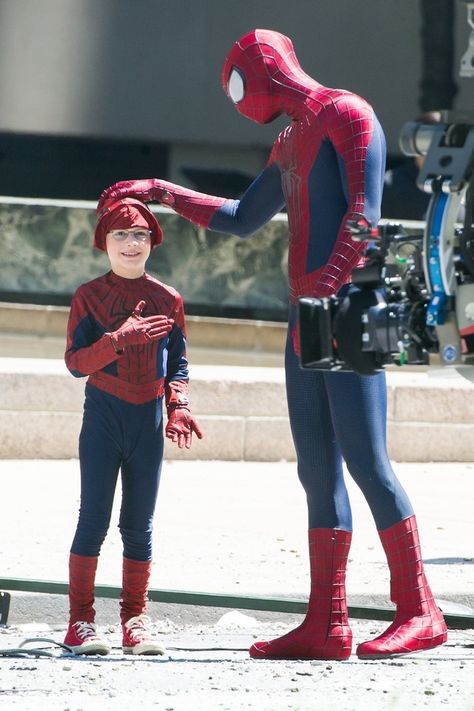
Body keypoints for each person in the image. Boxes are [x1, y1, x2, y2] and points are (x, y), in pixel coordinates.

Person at [98, 29, 447, 660]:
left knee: (368, 461)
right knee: (316, 469)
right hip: (307, 318)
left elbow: (365, 216)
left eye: (236, 83)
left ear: (261, 70)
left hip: (339, 313)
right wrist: (161, 190)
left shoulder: (347, 113)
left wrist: (327, 295)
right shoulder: (290, 138)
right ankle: (328, 621)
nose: (236, 98)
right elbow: (242, 215)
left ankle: (420, 609)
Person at [63, 197, 203, 655]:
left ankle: (135, 620)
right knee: (92, 519)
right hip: (103, 418)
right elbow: (75, 364)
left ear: (152, 243)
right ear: (103, 241)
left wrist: (178, 402)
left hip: (148, 420)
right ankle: (80, 622)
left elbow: (178, 361)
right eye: (121, 234)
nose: (131, 243)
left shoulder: (169, 298)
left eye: (140, 234)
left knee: (139, 525)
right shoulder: (88, 295)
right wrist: (116, 340)